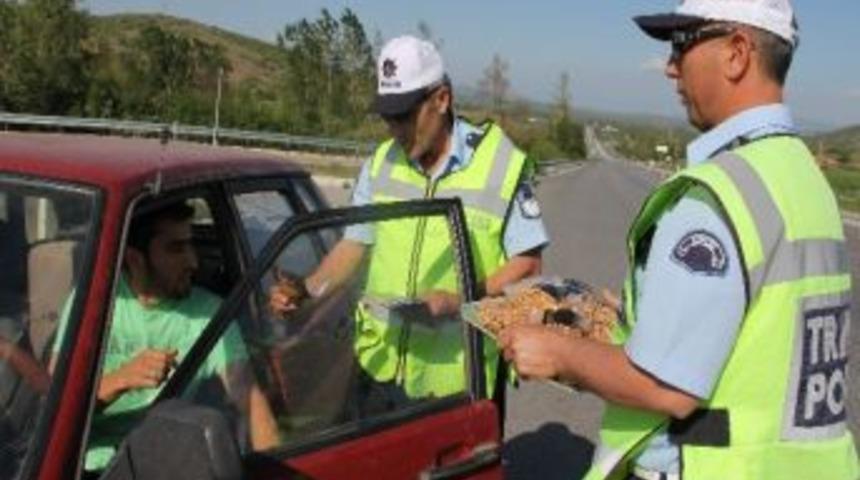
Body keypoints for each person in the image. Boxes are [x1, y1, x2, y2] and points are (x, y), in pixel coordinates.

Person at [500, 1, 858, 479]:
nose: (670, 67)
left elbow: (665, 387)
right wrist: (644, 321)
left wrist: (558, 351)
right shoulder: (802, 177)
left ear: (736, 53)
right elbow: (764, 333)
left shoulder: (717, 197)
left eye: (682, 44)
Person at [270, 35, 549, 401]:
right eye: (388, 117)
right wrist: (306, 289)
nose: (395, 129)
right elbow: (355, 243)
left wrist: (461, 299)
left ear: (442, 99)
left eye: (404, 116)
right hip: (379, 364)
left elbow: (528, 265)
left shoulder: (500, 164)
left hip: (459, 380)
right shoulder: (381, 163)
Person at [54, 201, 279, 471]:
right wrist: (120, 380)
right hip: (78, 465)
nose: (193, 261)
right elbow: (51, 402)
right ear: (134, 258)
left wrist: (275, 471)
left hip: (163, 463)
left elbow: (252, 404)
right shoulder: (93, 302)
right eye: (175, 249)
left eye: (190, 245)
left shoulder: (208, 314)